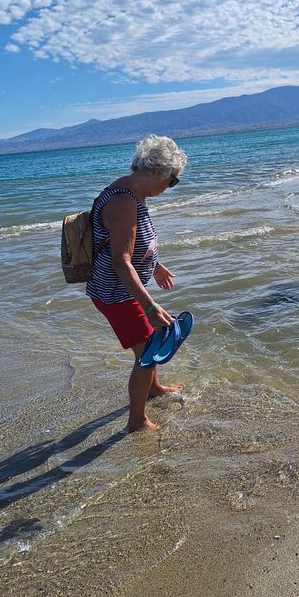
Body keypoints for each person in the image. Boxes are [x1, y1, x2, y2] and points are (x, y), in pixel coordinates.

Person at [86, 135, 188, 432]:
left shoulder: (131, 191)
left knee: (150, 343)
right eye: (172, 180)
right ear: (158, 172)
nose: (170, 187)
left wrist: (155, 265)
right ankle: (137, 421)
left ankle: (154, 389)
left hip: (122, 288)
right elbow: (120, 260)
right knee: (148, 353)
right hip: (116, 292)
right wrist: (150, 305)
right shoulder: (123, 202)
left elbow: (129, 245)